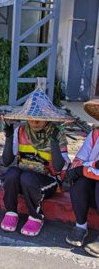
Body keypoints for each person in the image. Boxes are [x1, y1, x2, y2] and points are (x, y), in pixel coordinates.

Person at [0, 89, 72, 236]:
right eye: (31, 117)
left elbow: (58, 168)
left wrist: (54, 141)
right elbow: (7, 161)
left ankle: (36, 216)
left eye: (40, 117)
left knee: (27, 177)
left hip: (48, 183)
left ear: (48, 118)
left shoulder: (57, 133)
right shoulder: (20, 131)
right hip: (24, 181)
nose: (35, 121)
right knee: (11, 173)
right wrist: (8, 136)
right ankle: (11, 212)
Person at [65, 99, 99, 258]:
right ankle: (81, 226)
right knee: (79, 181)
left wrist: (86, 168)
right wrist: (88, 168)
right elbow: (79, 161)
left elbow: (84, 166)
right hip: (93, 193)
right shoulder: (96, 134)